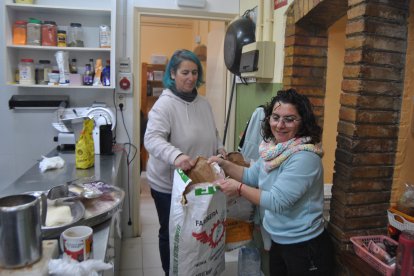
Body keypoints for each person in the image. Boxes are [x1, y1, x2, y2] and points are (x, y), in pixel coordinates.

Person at [209, 88, 334, 275]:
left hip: (304, 245)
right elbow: (252, 175)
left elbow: (277, 201)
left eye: (289, 119)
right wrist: (224, 164)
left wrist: (239, 189)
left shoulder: (305, 157)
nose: (280, 125)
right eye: (275, 117)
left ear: (303, 122)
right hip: (280, 240)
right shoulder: (274, 149)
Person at [144, 49, 226, 276]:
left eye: (194, 72)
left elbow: (213, 132)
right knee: (171, 232)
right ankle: (171, 271)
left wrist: (219, 147)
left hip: (198, 183)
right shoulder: (165, 105)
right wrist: (176, 156)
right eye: (185, 72)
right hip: (168, 186)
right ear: (173, 73)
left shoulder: (204, 103)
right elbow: (151, 139)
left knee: (196, 229)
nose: (190, 77)